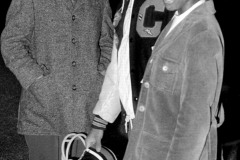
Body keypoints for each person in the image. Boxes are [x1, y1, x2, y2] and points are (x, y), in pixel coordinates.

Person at [86, 0, 225, 160]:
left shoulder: (185, 16)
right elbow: (119, 63)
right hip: (139, 132)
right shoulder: (128, 5)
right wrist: (99, 123)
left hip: (169, 137)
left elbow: (195, 118)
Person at [0, 0, 113, 159]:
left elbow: (109, 42)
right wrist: (36, 80)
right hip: (43, 110)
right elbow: (11, 43)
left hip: (86, 109)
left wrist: (100, 75)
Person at [85, 0, 173, 157]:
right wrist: (99, 125)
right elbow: (119, 66)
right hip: (134, 125)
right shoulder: (125, 4)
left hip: (165, 125)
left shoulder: (174, 4)